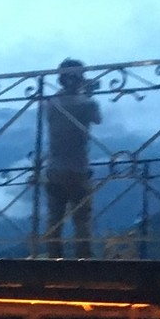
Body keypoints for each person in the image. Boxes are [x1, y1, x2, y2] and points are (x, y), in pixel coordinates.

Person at [43, 59, 102, 259]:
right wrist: (88, 93)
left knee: (54, 218)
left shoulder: (51, 103)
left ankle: (53, 258)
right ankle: (84, 259)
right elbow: (97, 119)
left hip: (55, 168)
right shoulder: (87, 103)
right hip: (79, 168)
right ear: (80, 78)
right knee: (82, 219)